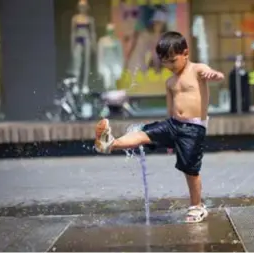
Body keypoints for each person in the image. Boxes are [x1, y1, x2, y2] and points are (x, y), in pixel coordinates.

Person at [94, 31, 224, 223]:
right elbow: (171, 109)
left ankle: (197, 206)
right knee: (144, 133)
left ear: (186, 53)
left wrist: (213, 74)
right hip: (173, 124)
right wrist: (168, 137)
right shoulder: (170, 82)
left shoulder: (197, 70)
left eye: (173, 61)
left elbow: (218, 75)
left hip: (193, 128)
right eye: (165, 63)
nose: (170, 66)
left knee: (190, 168)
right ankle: (110, 143)